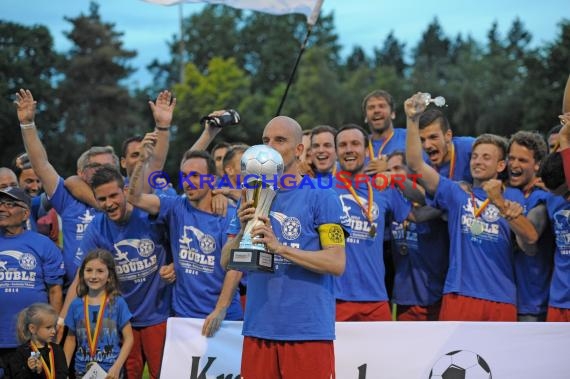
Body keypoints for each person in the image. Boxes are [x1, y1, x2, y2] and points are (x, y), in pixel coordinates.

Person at [221, 116, 347, 379]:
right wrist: (242, 232)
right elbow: (225, 262)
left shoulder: (323, 196)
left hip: (307, 332)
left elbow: (336, 263)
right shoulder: (251, 195)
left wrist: (280, 248)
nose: (269, 146)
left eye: (280, 140)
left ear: (300, 149)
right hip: (258, 330)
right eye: (265, 140)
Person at [404, 92, 538, 321]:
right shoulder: (456, 193)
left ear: (501, 165)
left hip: (502, 296)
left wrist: (500, 203)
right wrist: (412, 120)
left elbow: (531, 240)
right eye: (475, 156)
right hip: (460, 294)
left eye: (486, 157)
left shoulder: (513, 195)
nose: (477, 161)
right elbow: (416, 165)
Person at [65, 164, 171, 379]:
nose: (109, 204)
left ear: (125, 190)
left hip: (159, 315)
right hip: (122, 319)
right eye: (102, 199)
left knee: (163, 374)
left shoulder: (149, 214)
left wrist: (175, 265)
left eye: (113, 195)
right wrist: (62, 319)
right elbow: (80, 275)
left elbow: (180, 236)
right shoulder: (96, 227)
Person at [128, 142, 243, 337]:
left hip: (224, 319)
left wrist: (220, 310)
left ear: (212, 180)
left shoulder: (229, 215)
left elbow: (235, 267)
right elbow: (135, 198)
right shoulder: (175, 207)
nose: (189, 181)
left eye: (196, 176)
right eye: (185, 176)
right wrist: (141, 163)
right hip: (184, 318)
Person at [15, 89, 118, 285]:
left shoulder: (124, 197)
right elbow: (41, 165)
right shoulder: (68, 198)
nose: (104, 171)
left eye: (109, 166)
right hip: (77, 293)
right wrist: (27, 124)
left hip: (119, 293)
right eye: (96, 166)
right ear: (81, 172)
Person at [333, 125, 410, 321]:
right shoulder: (322, 190)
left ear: (367, 151)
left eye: (355, 144)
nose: (349, 149)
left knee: (386, 353)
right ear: (336, 152)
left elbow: (414, 214)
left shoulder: (383, 188)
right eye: (342, 145)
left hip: (376, 298)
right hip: (336, 298)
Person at [0, 187, 64, 360]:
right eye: (0, 204)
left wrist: (53, 326)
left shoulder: (43, 244)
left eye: (9, 204)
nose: (1, 208)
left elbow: (54, 291)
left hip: (33, 338)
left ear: (26, 213)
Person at [386, 151, 449, 321]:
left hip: (436, 296)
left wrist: (394, 178)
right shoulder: (391, 205)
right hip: (405, 298)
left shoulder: (436, 202)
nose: (391, 173)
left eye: (397, 168)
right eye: (388, 170)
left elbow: (422, 201)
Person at [63, 249, 133, 378]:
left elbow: (129, 339)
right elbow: (70, 339)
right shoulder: (76, 304)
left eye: (100, 271)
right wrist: (64, 370)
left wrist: (117, 367)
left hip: (110, 372)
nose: (93, 276)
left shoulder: (118, 303)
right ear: (82, 273)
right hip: (82, 372)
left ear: (110, 276)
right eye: (89, 270)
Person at [507, 131, 554, 321]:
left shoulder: (543, 197)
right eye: (511, 158)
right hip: (505, 300)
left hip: (533, 305)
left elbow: (530, 241)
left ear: (537, 165)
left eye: (522, 160)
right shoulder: (507, 191)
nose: (514, 165)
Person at [7, 303, 68, 379]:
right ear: (32, 328)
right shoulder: (21, 352)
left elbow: (63, 374)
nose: (54, 331)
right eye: (48, 327)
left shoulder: (57, 350)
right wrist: (31, 371)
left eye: (54, 326)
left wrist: (42, 372)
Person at [418, 108, 474, 183]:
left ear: (448, 135)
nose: (427, 145)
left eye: (433, 137)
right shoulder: (424, 165)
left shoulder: (471, 147)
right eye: (422, 140)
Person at [362, 90, 407, 175]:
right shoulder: (359, 144)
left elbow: (419, 166)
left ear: (393, 113)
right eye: (371, 107)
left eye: (382, 106)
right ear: (365, 117)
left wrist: (390, 167)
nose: (376, 111)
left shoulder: (408, 136)